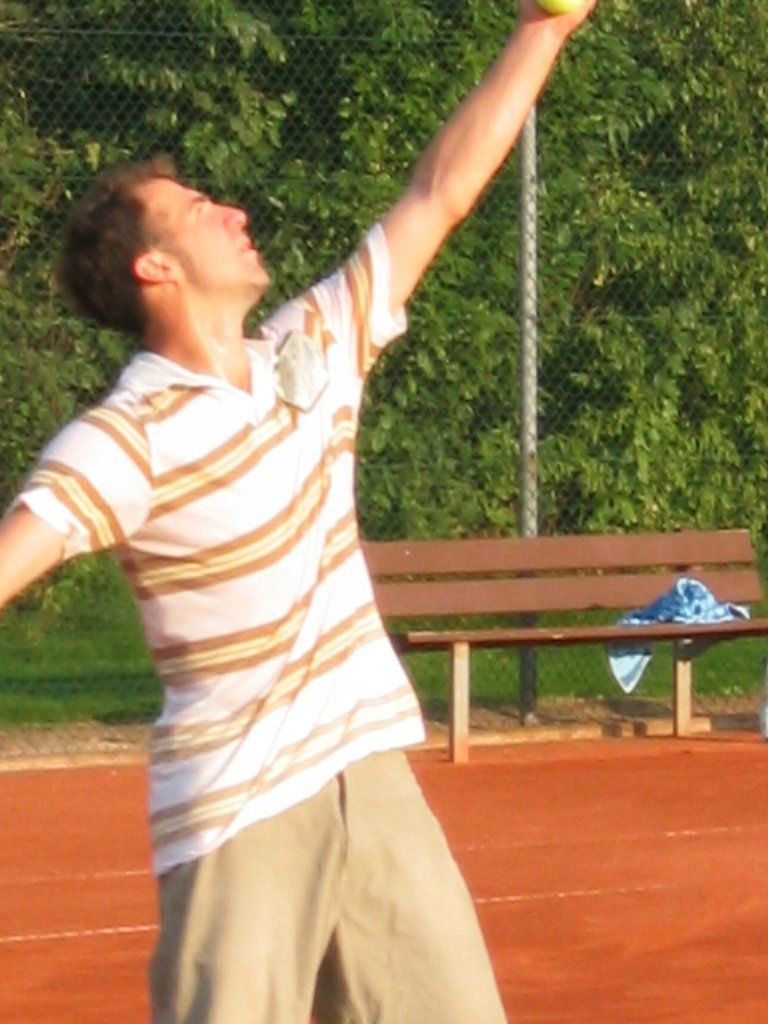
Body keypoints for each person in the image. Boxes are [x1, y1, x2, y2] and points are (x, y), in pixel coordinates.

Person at [0, 2, 595, 1021]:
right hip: (240, 815)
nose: (233, 213)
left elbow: (440, 191)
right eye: (198, 210)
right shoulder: (126, 437)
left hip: (371, 776)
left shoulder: (309, 348)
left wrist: (543, 30)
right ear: (155, 268)